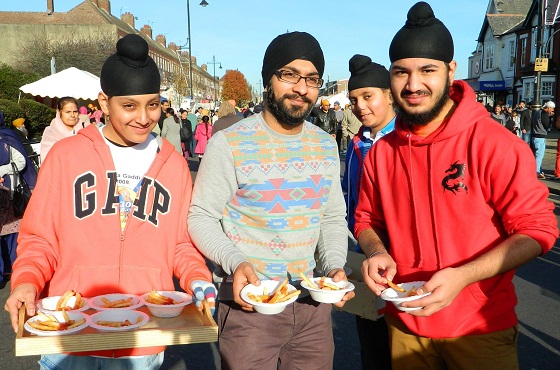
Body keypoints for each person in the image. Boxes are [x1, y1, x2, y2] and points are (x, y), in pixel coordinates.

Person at [353, 3, 558, 369]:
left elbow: (538, 230)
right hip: (405, 326)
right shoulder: (382, 152)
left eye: (427, 71)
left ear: (450, 71)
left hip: (480, 329)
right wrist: (375, 252)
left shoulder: (494, 143)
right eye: (402, 73)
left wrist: (463, 276)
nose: (413, 85)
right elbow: (366, 219)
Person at [4, 34, 216, 369]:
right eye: (129, 106)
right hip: (68, 332)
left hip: (143, 335)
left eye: (153, 104)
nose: (144, 117)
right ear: (104, 103)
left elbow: (180, 244)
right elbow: (40, 239)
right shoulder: (65, 156)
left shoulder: (173, 164)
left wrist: (198, 279)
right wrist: (27, 282)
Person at [188, 31, 354, 370]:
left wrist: (334, 267)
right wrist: (236, 262)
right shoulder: (230, 143)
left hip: (312, 313)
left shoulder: (324, 145)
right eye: (288, 74)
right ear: (268, 81)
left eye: (311, 79)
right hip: (250, 312)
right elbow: (201, 216)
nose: (301, 88)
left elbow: (333, 218)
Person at [342, 54, 395, 370]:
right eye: (353, 99)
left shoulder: (407, 138)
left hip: (402, 257)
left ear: (389, 95)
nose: (360, 106)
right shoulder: (357, 141)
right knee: (371, 344)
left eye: (368, 96)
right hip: (365, 250)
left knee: (400, 348)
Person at [0, 112, 38, 289]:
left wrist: (1, 171)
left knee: (12, 229)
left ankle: (12, 267)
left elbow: (20, 161)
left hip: (9, 189)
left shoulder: (7, 136)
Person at [40, 96, 82, 163]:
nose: (72, 115)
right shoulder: (51, 133)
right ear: (59, 112)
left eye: (75, 111)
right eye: (68, 112)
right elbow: (47, 161)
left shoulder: (85, 130)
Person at [532, 101, 555, 179]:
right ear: (548, 108)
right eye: (552, 108)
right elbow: (546, 125)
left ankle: (539, 169)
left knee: (536, 154)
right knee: (539, 155)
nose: (553, 110)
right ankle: (536, 171)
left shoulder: (538, 112)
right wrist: (551, 118)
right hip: (540, 136)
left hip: (535, 136)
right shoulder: (544, 114)